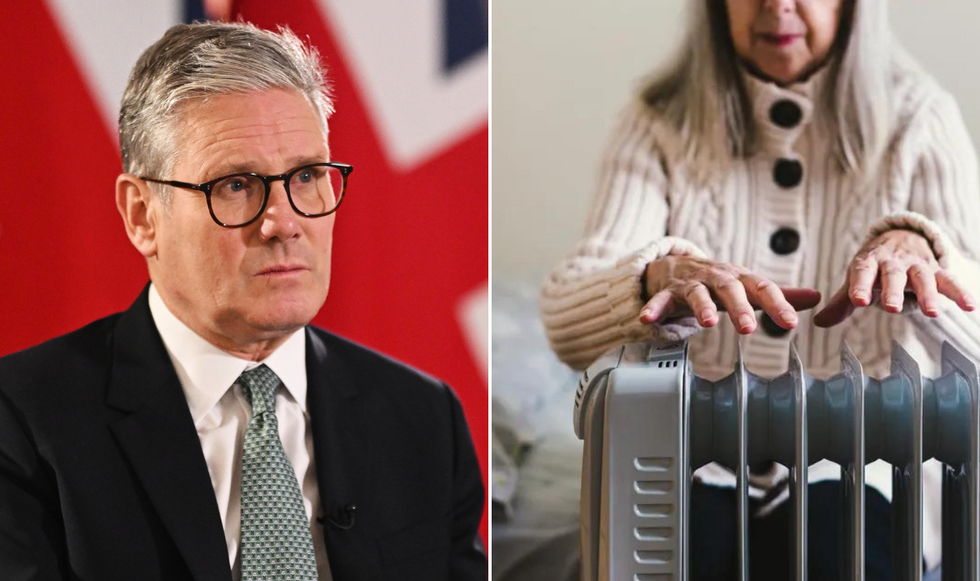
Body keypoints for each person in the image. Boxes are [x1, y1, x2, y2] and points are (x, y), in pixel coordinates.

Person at [0, 22, 486, 581]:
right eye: (235, 185)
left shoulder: (422, 418)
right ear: (142, 215)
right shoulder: (23, 424)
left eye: (306, 176)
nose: (284, 222)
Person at [540, 0, 980, 577]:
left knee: (842, 547)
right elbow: (565, 321)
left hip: (869, 468)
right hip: (691, 463)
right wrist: (653, 276)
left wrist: (924, 252)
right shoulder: (657, 121)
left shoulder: (921, 120)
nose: (777, 5)